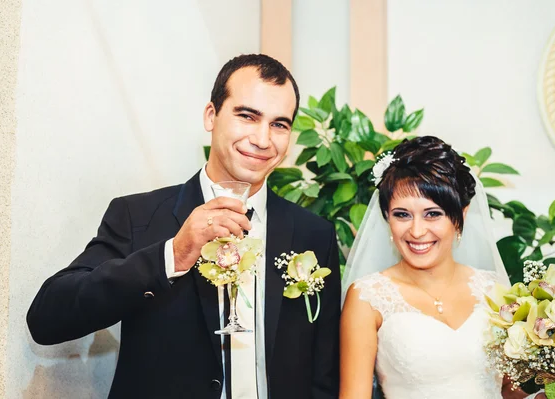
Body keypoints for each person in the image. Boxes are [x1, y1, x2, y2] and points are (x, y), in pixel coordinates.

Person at [27, 54, 340, 399]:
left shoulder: (314, 234)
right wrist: (172, 255)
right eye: (247, 116)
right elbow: (47, 319)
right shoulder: (138, 215)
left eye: (279, 124)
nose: (263, 139)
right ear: (211, 116)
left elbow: (323, 373)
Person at [340, 135, 529, 399]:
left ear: (461, 215)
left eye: (433, 214)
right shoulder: (367, 297)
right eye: (402, 214)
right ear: (387, 218)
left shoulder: (493, 288)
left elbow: (507, 390)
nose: (417, 231)